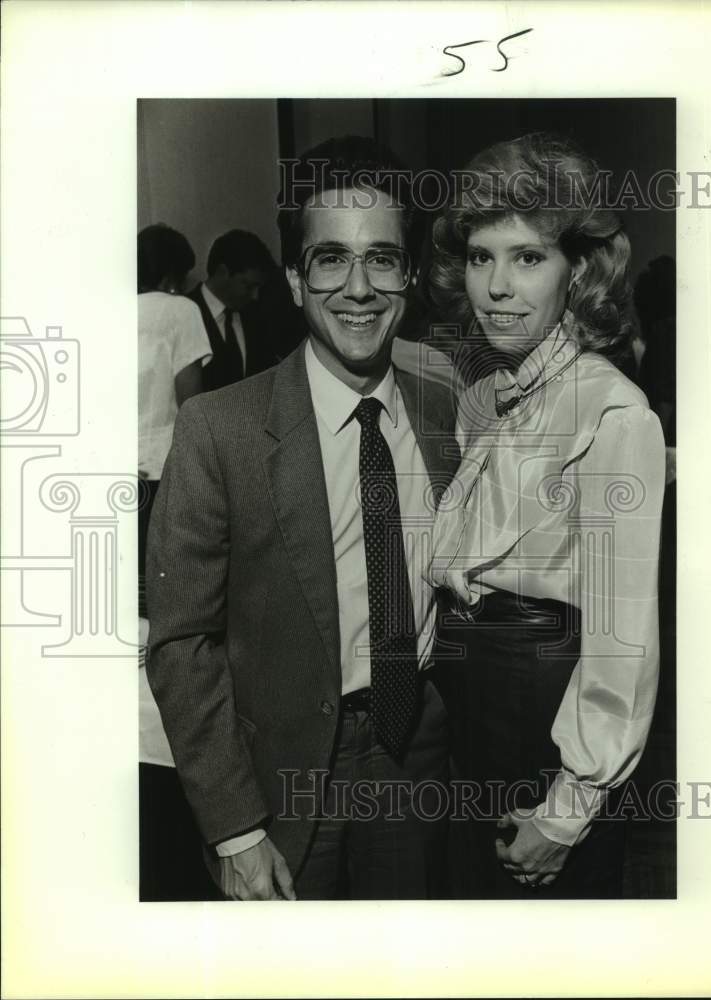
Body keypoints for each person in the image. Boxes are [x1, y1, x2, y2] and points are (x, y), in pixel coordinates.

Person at [146, 136, 460, 900]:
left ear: (408, 275)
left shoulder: (445, 403)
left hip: (414, 751)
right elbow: (182, 643)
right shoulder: (220, 429)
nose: (359, 287)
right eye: (331, 260)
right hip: (276, 777)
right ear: (294, 278)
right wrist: (235, 827)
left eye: (382, 258)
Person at [427, 133, 666, 898]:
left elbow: (622, 639)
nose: (496, 285)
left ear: (578, 272)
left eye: (528, 258)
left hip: (550, 737)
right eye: (480, 257)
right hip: (473, 727)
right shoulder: (484, 402)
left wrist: (567, 812)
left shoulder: (613, 411)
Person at [136, 223, 219, 900]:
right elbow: (194, 402)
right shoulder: (179, 311)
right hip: (163, 480)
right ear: (179, 271)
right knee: (175, 619)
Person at [187, 229, 299, 388]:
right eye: (248, 285)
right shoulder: (185, 313)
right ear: (222, 272)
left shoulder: (256, 316)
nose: (254, 295)